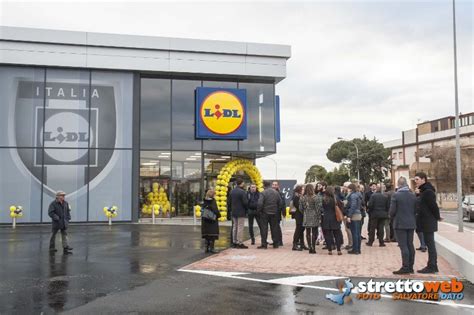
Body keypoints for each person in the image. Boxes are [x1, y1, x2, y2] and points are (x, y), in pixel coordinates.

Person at [415, 172, 442, 274]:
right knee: (429, 243)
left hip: (428, 221)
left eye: (417, 179)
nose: (415, 182)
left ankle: (432, 266)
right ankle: (432, 265)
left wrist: (438, 217)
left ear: (423, 179)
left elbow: (433, 206)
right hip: (426, 221)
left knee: (430, 245)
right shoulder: (424, 191)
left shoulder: (428, 191)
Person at [390, 177, 417, 274]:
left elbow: (392, 211)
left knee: (403, 246)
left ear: (398, 184)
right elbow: (415, 209)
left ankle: (405, 267)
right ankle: (411, 267)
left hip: (400, 223)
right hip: (411, 223)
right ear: (406, 184)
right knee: (410, 245)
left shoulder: (396, 195)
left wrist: (391, 216)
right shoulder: (413, 195)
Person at [257, 181, 282, 249]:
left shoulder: (263, 193)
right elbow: (280, 203)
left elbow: (260, 203)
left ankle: (264, 244)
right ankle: (276, 244)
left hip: (265, 213)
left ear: (264, 185)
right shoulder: (276, 192)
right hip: (274, 213)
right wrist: (277, 210)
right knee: (274, 228)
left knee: (264, 229)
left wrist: (259, 211)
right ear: (270, 185)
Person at [300, 184, 322, 254]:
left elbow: (300, 208)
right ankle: (313, 247)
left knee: (308, 232)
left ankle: (310, 247)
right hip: (314, 215)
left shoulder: (302, 198)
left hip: (306, 215)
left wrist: (305, 212)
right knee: (315, 232)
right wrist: (319, 217)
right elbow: (318, 208)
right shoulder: (316, 197)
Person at [322, 186, 343, 255]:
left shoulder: (324, 199)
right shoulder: (335, 198)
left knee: (327, 235)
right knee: (337, 234)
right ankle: (339, 250)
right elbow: (340, 206)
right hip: (335, 218)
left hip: (326, 218)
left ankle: (329, 250)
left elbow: (322, 208)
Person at [229, 178, 249, 249]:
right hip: (241, 212)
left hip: (234, 211)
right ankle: (239, 242)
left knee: (235, 227)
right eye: (243, 183)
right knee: (240, 227)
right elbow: (245, 202)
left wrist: (230, 210)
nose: (244, 184)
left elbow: (229, 202)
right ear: (241, 183)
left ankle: (234, 242)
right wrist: (247, 209)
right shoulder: (242, 192)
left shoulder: (232, 191)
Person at [201, 189, 221, 253]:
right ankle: (211, 248)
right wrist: (219, 215)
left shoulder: (204, 201)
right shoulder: (213, 201)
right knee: (212, 235)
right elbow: (215, 210)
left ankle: (206, 248)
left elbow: (202, 210)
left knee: (207, 235)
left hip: (205, 221)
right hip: (212, 221)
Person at [345, 183, 362, 255]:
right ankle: (358, 248)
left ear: (350, 189)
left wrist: (349, 215)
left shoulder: (352, 196)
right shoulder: (358, 195)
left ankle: (355, 249)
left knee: (354, 233)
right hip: (358, 214)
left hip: (354, 215)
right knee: (357, 233)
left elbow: (353, 206)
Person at [291, 185, 306, 251]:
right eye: (302, 189)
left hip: (301, 215)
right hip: (299, 215)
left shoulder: (300, 196)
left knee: (301, 230)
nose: (303, 190)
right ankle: (295, 244)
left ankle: (302, 244)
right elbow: (298, 206)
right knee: (298, 230)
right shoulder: (296, 197)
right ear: (299, 190)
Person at [272, 181, 285, 246]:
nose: (274, 186)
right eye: (273, 184)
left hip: (277, 213)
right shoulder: (270, 192)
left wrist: (283, 212)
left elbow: (282, 204)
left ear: (278, 186)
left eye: (275, 185)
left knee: (277, 227)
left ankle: (280, 241)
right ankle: (275, 240)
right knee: (273, 227)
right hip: (271, 212)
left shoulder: (280, 193)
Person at [341, 182, 352, 250]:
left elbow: (348, 205)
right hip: (345, 213)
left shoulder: (349, 195)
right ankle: (350, 243)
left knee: (348, 229)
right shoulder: (345, 194)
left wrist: (347, 215)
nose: (343, 187)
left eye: (345, 186)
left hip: (347, 214)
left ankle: (351, 243)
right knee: (347, 229)